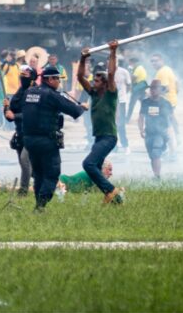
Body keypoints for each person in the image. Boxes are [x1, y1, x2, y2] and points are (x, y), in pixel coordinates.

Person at [22, 65, 87, 211]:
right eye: (57, 79)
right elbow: (75, 111)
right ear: (49, 79)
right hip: (47, 141)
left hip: (29, 141)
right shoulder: (51, 95)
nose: (59, 82)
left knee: (38, 174)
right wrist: (83, 106)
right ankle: (41, 205)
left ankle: (38, 204)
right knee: (52, 173)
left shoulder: (29, 92)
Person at [77, 41, 124, 204]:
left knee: (88, 164)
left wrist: (113, 51)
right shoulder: (94, 94)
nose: (93, 83)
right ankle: (114, 197)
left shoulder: (111, 93)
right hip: (99, 137)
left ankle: (110, 190)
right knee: (94, 167)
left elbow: (111, 73)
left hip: (109, 137)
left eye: (97, 81)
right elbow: (79, 77)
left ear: (104, 84)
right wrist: (83, 58)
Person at [5, 65, 37, 195]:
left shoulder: (35, 92)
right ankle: (44, 182)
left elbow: (33, 113)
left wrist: (15, 115)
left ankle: (23, 191)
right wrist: (6, 108)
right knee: (28, 167)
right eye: (22, 75)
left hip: (33, 133)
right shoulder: (19, 92)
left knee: (25, 160)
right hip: (20, 133)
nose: (23, 77)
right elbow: (9, 117)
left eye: (26, 74)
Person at [138, 79, 175, 179]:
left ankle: (157, 177)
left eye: (155, 88)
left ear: (160, 89)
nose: (153, 90)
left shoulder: (166, 103)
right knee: (152, 156)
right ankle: (155, 175)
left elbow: (172, 119)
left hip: (161, 134)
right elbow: (141, 117)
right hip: (149, 133)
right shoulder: (145, 102)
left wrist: (173, 134)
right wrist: (141, 130)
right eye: (151, 88)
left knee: (155, 153)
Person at [151, 53, 180, 153]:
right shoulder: (168, 69)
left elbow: (165, 88)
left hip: (165, 103)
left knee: (165, 127)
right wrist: (175, 95)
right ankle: (174, 143)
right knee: (168, 124)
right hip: (171, 101)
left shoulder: (162, 72)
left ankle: (172, 150)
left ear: (162, 60)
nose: (153, 63)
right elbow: (177, 83)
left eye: (156, 60)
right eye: (152, 61)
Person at [114, 58, 131, 154]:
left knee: (120, 124)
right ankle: (114, 147)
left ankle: (125, 145)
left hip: (121, 101)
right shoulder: (106, 73)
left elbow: (129, 85)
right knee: (112, 125)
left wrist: (123, 95)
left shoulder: (124, 72)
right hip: (110, 102)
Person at [127, 56, 148, 122]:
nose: (130, 65)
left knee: (131, 105)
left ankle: (127, 119)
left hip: (137, 89)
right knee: (143, 104)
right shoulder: (141, 68)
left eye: (130, 63)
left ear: (133, 62)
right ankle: (143, 118)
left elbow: (132, 78)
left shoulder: (138, 69)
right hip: (142, 88)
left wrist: (130, 71)